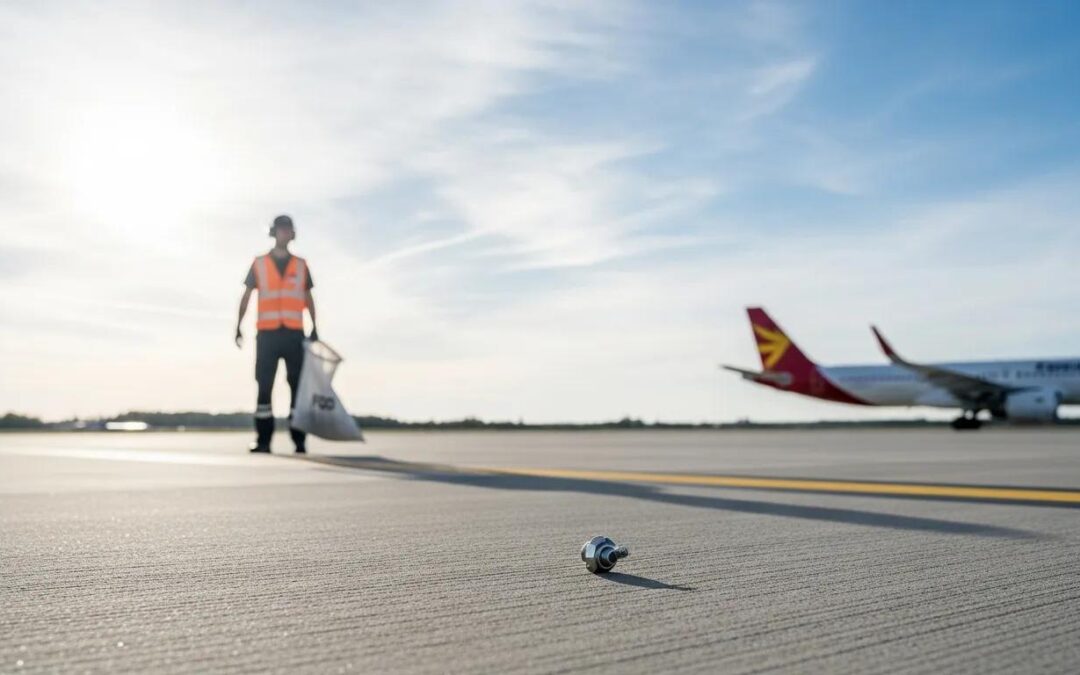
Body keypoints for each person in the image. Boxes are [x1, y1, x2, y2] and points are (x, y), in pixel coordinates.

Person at [235, 215, 318, 453]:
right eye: (281, 229)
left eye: (288, 229)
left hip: (294, 333)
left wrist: (315, 327)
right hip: (267, 334)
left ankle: (299, 440)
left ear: (293, 234)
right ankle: (263, 440)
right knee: (264, 386)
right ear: (274, 232)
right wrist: (238, 325)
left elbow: (308, 298)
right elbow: (247, 295)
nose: (284, 233)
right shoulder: (259, 263)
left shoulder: (301, 265)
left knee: (296, 386)